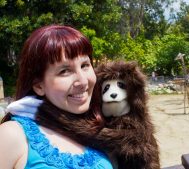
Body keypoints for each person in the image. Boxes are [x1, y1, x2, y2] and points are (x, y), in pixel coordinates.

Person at [0, 25, 113, 169]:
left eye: (85, 65)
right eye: (65, 71)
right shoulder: (12, 135)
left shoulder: (103, 129)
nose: (83, 81)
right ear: (39, 86)